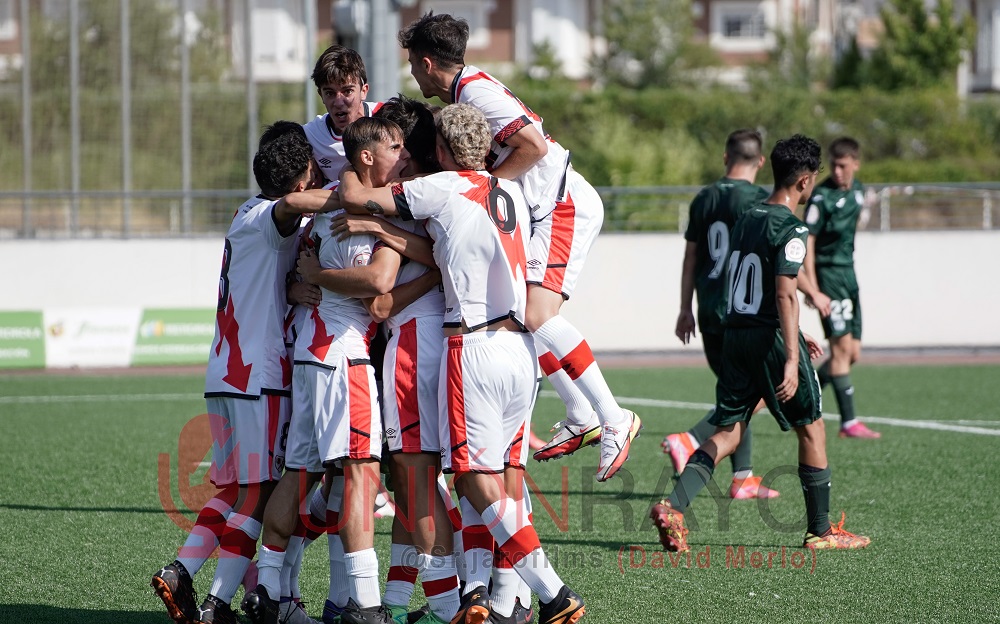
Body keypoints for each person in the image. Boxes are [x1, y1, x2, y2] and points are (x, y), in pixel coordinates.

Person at [337, 103, 586, 624]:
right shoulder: (509, 191)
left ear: (440, 150)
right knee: (499, 478)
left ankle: (535, 594)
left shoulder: (439, 188)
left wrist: (357, 187)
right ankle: (496, 599)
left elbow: (359, 200)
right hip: (520, 348)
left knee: (443, 481)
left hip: (466, 345)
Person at [398, 12, 640, 483]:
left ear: (426, 63)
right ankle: (581, 414)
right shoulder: (466, 91)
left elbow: (535, 147)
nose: (412, 75)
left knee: (535, 314)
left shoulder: (474, 91)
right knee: (523, 312)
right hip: (543, 207)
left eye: (411, 64)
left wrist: (483, 189)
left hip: (561, 204)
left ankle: (614, 417)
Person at [650, 135, 871, 552]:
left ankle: (674, 506)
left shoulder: (748, 217)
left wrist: (789, 330)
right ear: (805, 181)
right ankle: (821, 531)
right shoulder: (792, 227)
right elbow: (785, 294)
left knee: (729, 431)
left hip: (735, 334)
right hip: (770, 339)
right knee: (812, 429)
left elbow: (746, 280)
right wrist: (791, 354)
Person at [151, 121, 328, 624]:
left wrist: (289, 289)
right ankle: (216, 602)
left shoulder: (245, 212)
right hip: (257, 378)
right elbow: (291, 208)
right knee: (259, 493)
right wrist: (363, 194)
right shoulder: (272, 215)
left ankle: (183, 572)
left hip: (225, 375)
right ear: (301, 179)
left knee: (232, 491)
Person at [241, 117, 411, 624]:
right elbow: (378, 284)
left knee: (301, 474)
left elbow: (309, 269)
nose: (403, 155)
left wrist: (312, 277)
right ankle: (367, 603)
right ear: (366, 157)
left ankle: (268, 588)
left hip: (310, 356)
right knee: (362, 475)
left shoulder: (328, 208)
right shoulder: (359, 210)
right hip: (343, 356)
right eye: (394, 147)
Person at [665, 129, 779, 500]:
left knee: (738, 391)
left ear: (725, 157)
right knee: (762, 390)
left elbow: (691, 257)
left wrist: (685, 308)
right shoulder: (759, 199)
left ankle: (743, 478)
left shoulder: (704, 198)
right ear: (760, 161)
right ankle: (691, 438)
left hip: (709, 309)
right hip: (743, 313)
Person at [804, 137, 879, 439]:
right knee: (840, 350)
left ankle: (804, 392)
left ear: (855, 164)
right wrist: (812, 286)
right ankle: (849, 423)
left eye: (843, 166)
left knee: (852, 354)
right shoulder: (821, 197)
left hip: (849, 275)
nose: (837, 171)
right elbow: (808, 240)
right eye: (834, 165)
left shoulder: (859, 190)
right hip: (829, 276)